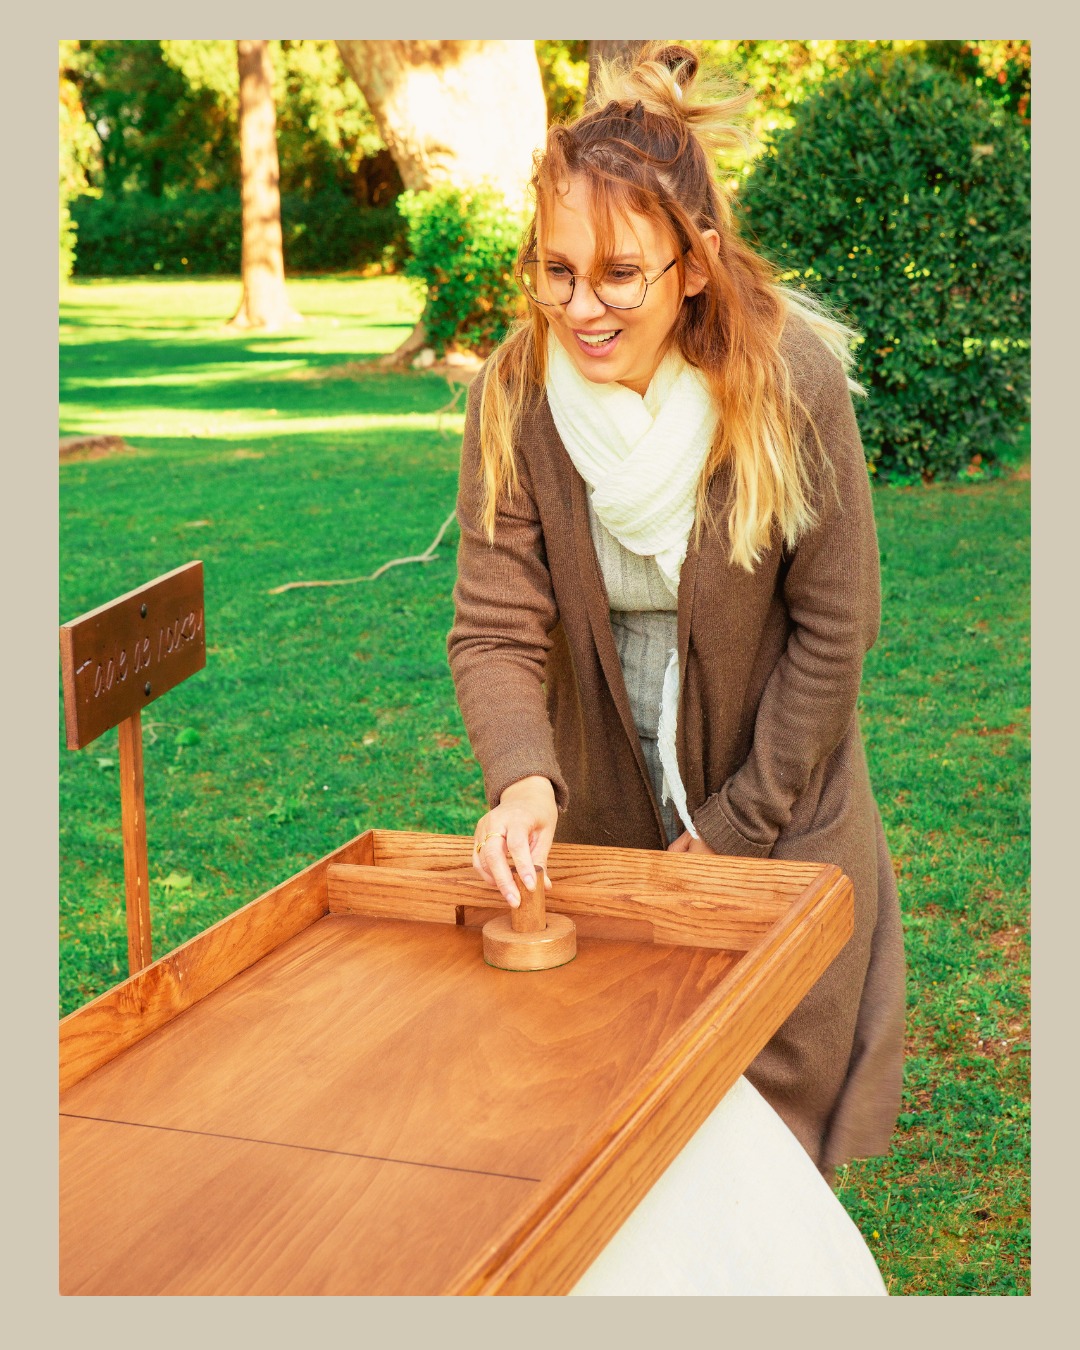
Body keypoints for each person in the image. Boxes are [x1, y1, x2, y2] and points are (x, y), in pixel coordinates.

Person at [447, 42, 905, 1183]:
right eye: (555, 272)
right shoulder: (516, 391)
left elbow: (835, 625)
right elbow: (497, 619)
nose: (580, 308)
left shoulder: (790, 378)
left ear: (693, 265)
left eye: (617, 275)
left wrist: (742, 822)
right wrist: (523, 780)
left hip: (779, 786)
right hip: (601, 788)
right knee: (611, 1118)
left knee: (761, 1140)